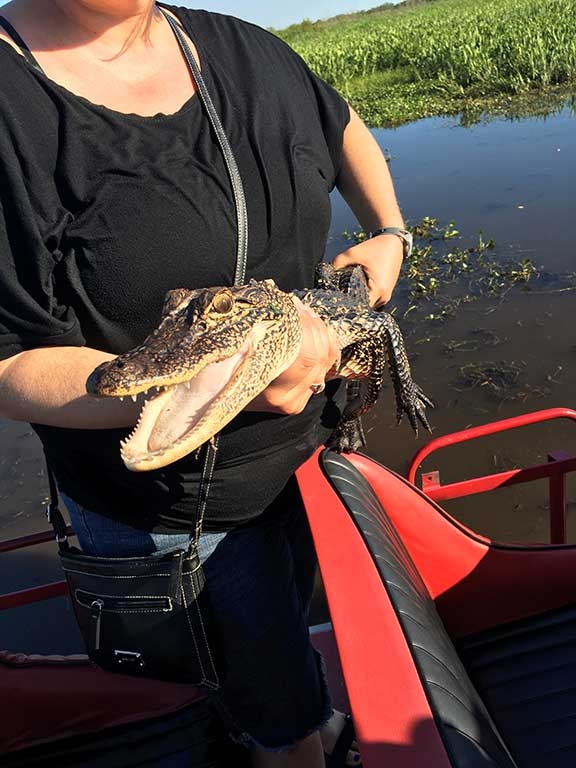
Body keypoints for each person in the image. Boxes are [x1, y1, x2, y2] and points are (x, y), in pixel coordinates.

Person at [0, 2, 408, 766]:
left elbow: (343, 124)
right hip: (177, 513)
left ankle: (306, 717)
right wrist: (204, 389)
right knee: (280, 725)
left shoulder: (245, 47)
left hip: (307, 470)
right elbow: (4, 360)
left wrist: (389, 231)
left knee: (284, 657)